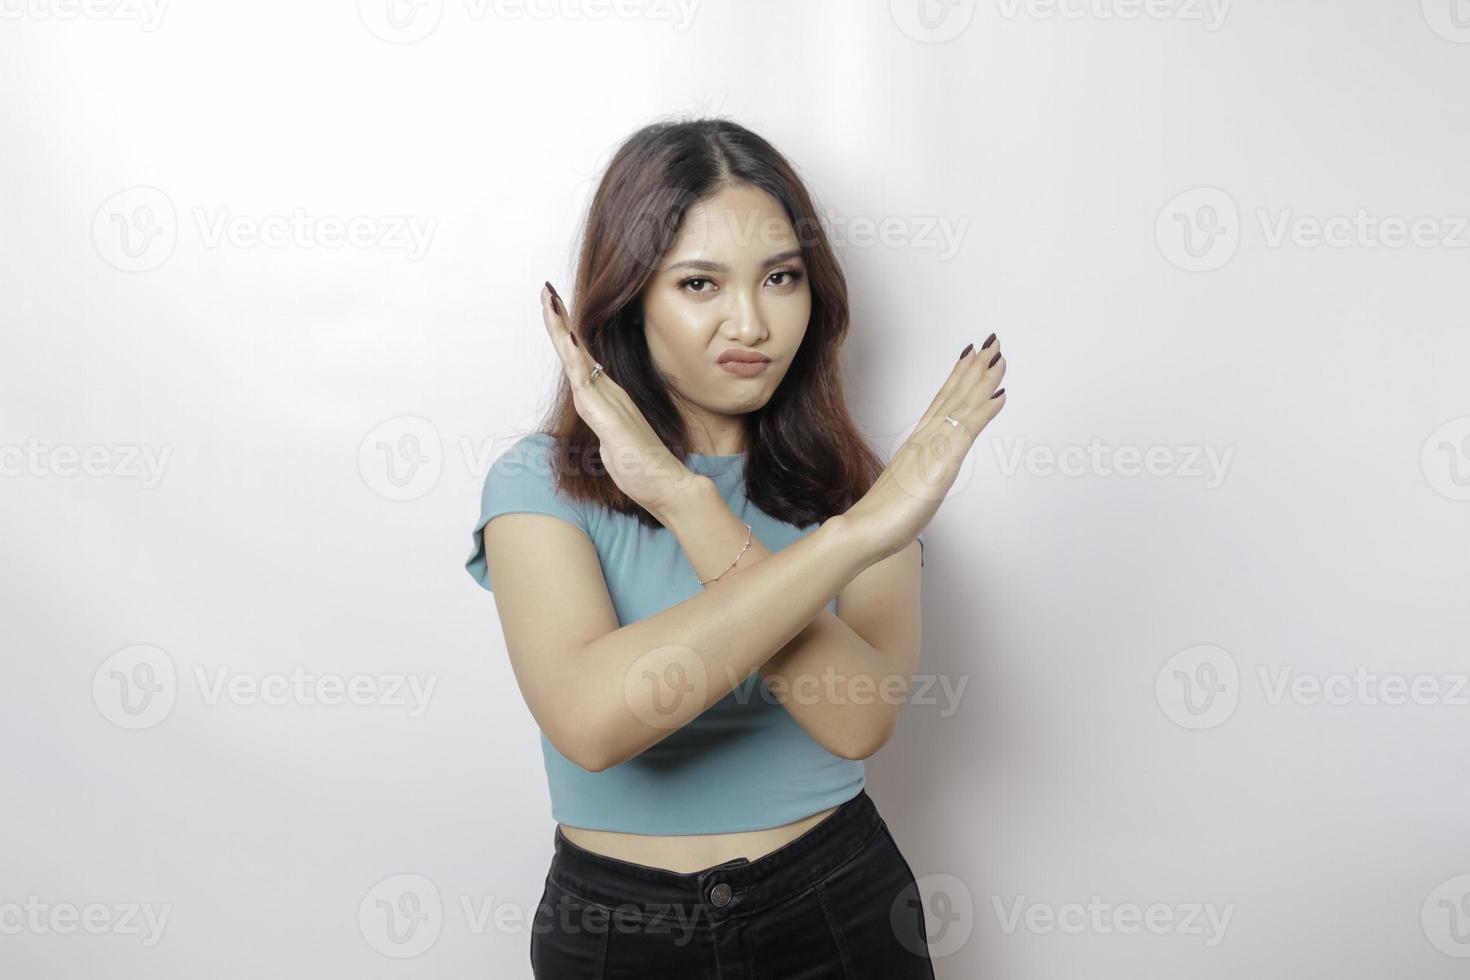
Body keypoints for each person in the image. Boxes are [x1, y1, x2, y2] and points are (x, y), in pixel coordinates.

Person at [465, 116, 1007, 978]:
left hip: (836, 904)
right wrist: (853, 540)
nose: (750, 322)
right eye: (699, 284)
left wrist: (688, 504)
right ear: (630, 294)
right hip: (618, 931)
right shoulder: (540, 482)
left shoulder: (860, 490)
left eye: (780, 277)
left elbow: (856, 717)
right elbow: (594, 723)